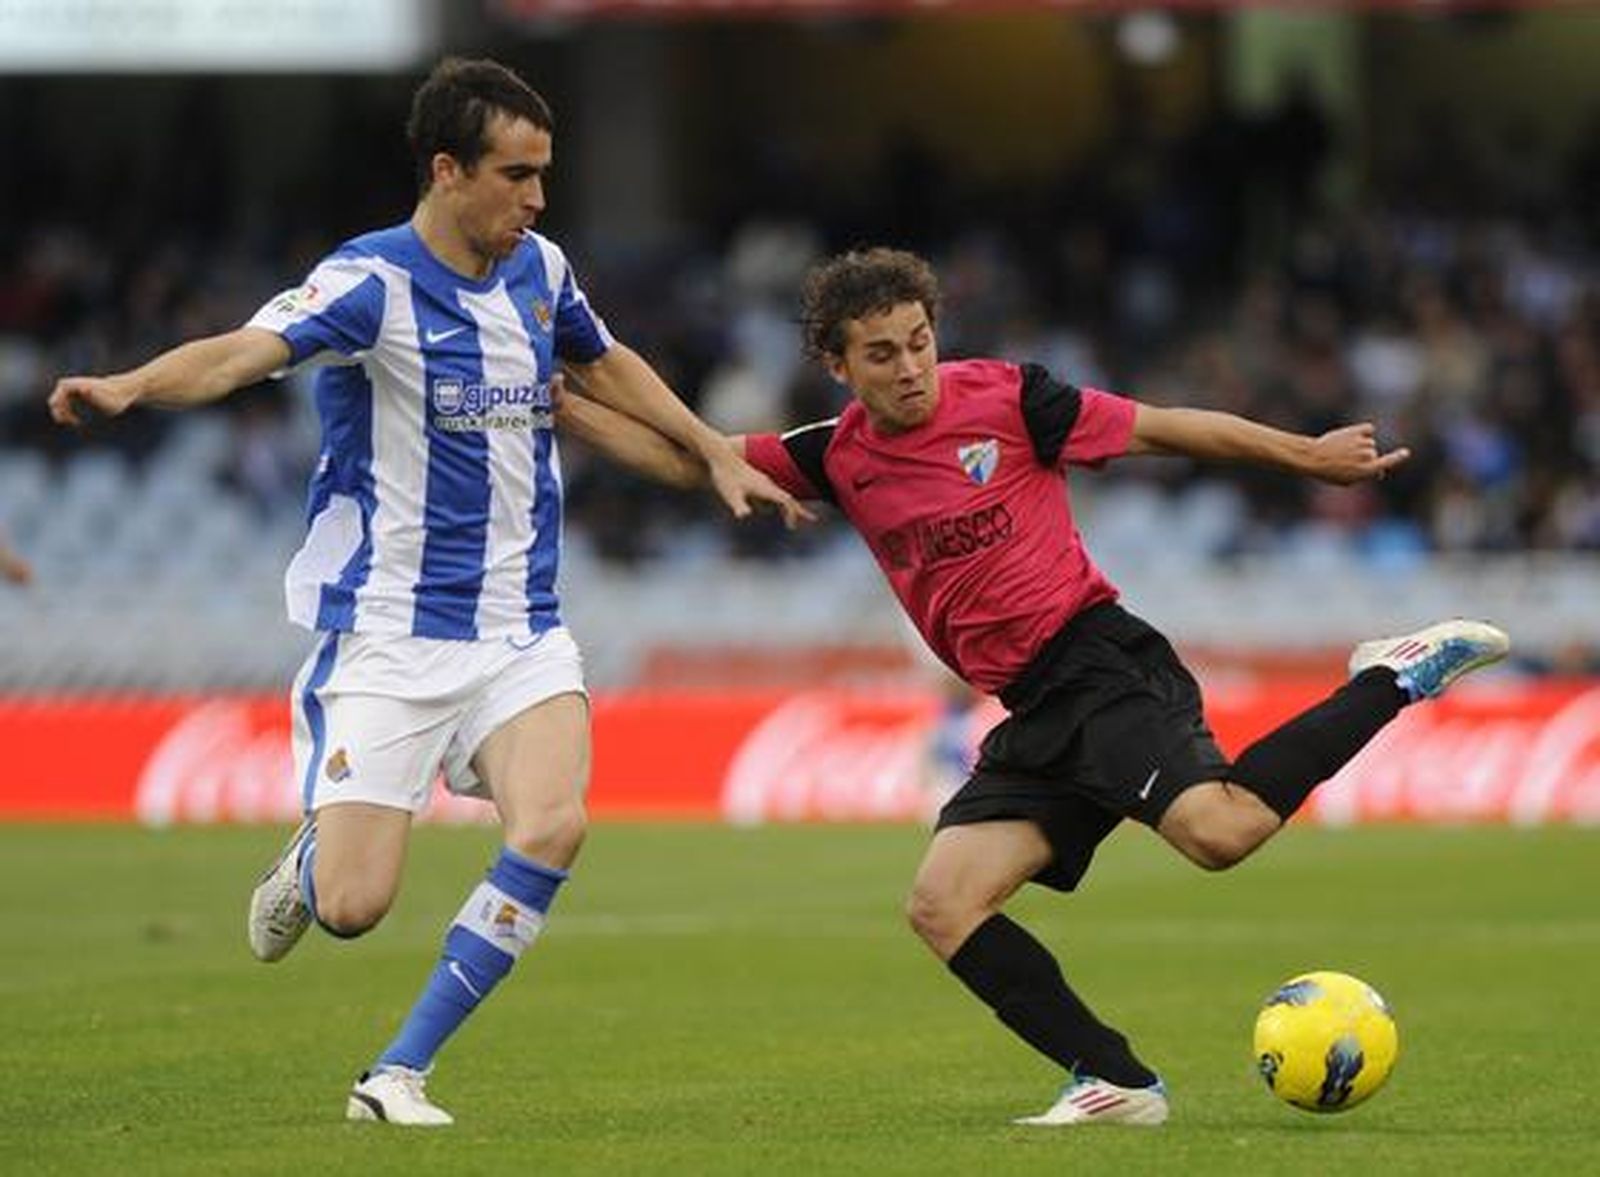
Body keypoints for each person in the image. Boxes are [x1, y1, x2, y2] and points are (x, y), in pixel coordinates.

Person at [558, 246, 1509, 1127]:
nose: (910, 367)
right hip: (1034, 706)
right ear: (839, 366)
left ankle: (1390, 675)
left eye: (920, 341)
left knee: (1220, 831)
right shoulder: (834, 454)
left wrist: (1304, 454)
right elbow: (693, 459)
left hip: (1098, 661)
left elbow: (1164, 427)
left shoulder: (1013, 398)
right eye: (882, 353)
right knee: (944, 902)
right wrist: (561, 407)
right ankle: (1117, 1080)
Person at [48, 57, 807, 1127]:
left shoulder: (541, 268)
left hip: (521, 631)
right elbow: (239, 355)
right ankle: (317, 856)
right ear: (448, 171)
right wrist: (132, 383)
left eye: (544, 173)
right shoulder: (370, 283)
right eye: (515, 174)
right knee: (355, 905)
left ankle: (396, 1072)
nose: (536, 198)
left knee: (554, 826)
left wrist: (712, 447)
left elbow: (605, 362)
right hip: (394, 639)